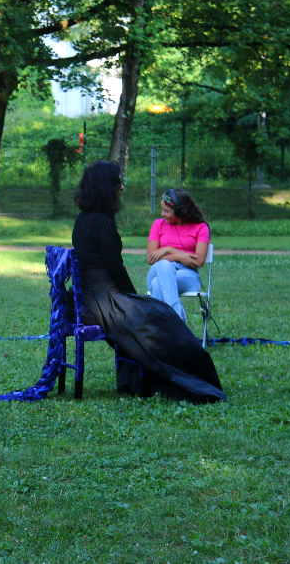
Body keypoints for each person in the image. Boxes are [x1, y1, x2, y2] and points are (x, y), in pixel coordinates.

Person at [71, 161, 225, 403]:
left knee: (157, 312)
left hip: (88, 297)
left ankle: (135, 379)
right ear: (105, 187)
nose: (121, 187)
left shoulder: (82, 219)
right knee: (160, 316)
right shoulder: (103, 222)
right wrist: (135, 299)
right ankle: (192, 377)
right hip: (103, 301)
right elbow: (117, 270)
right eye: (117, 182)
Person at [146, 188, 210, 322]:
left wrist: (169, 249)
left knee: (157, 285)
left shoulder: (201, 227)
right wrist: (178, 257)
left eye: (167, 211)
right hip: (159, 270)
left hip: (188, 276)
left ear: (181, 211)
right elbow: (151, 258)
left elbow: (198, 262)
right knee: (164, 265)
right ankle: (178, 319)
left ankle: (162, 335)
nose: (162, 214)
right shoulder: (158, 224)